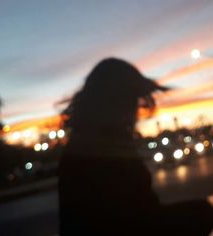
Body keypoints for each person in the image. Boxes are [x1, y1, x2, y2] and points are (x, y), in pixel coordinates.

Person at [58, 58, 213, 235]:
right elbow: (139, 222)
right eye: (130, 100)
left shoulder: (87, 143)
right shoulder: (100, 149)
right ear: (113, 103)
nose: (136, 110)